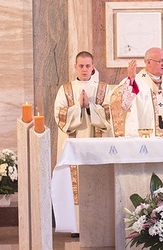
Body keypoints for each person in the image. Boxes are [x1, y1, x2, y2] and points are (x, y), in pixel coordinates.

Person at [54, 51, 112, 237]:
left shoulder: (104, 88)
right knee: (75, 181)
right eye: (81, 66)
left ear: (93, 66)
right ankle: (77, 226)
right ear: (75, 67)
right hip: (74, 142)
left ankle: (99, 223)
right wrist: (78, 106)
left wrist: (90, 106)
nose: (85, 69)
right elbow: (60, 116)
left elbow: (111, 115)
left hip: (98, 144)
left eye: (88, 66)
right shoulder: (66, 89)